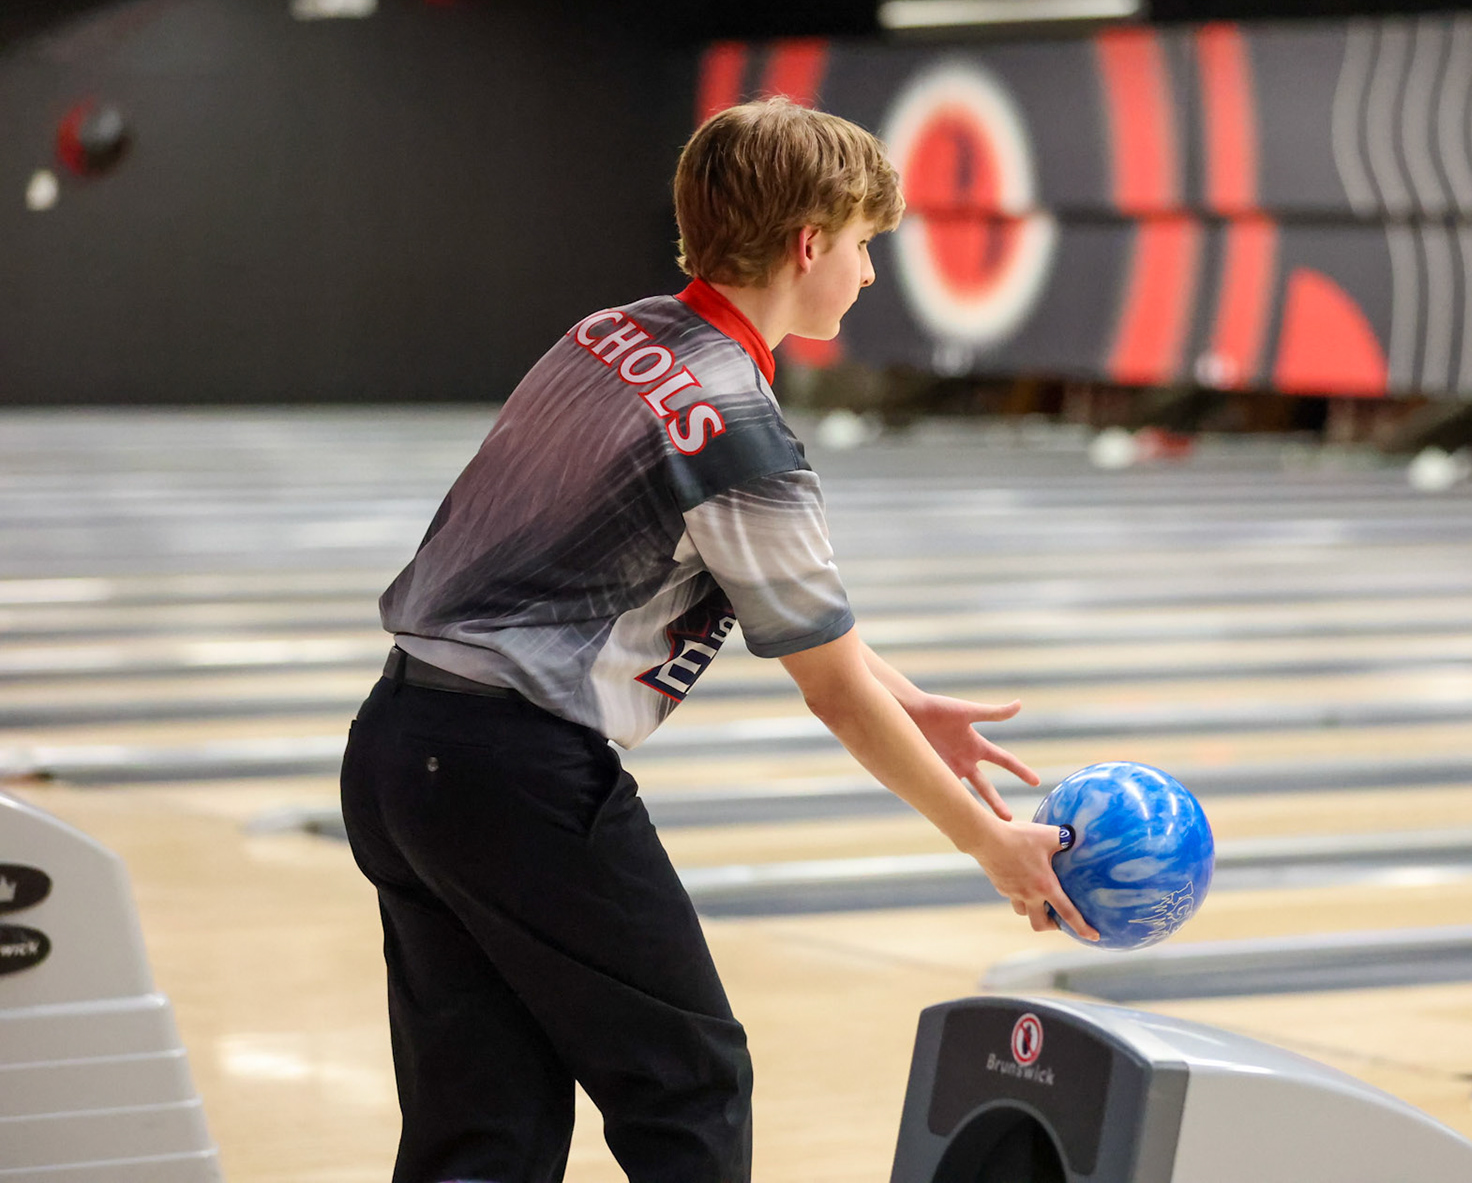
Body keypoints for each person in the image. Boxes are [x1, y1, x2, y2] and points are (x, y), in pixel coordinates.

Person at [338, 96, 1095, 1183]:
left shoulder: (610, 334)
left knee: (483, 1122)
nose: (868, 274)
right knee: (689, 1083)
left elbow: (802, 627)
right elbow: (831, 692)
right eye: (865, 245)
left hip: (398, 750)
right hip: (517, 779)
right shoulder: (738, 430)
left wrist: (912, 702)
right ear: (808, 244)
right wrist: (988, 841)